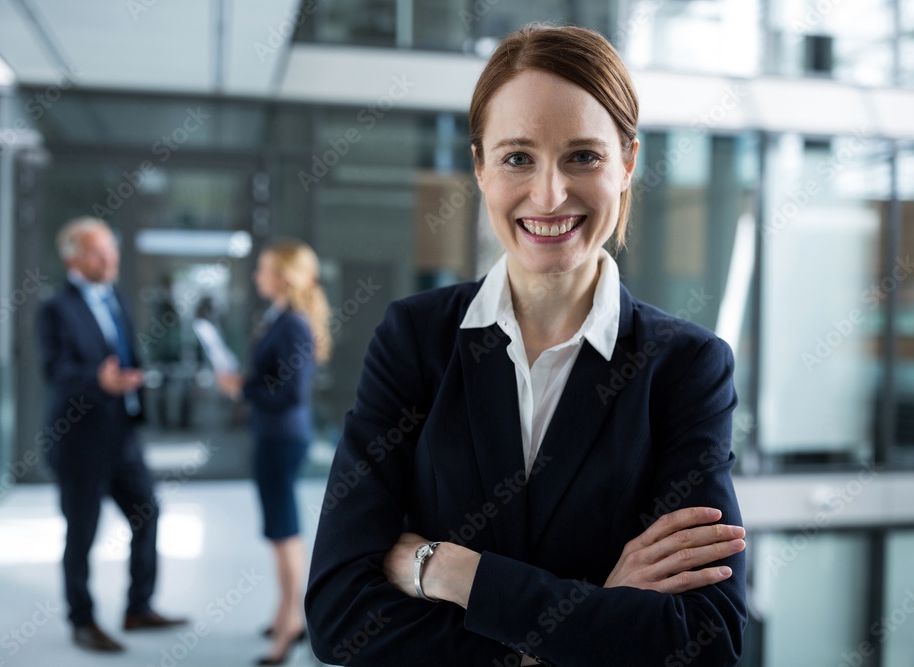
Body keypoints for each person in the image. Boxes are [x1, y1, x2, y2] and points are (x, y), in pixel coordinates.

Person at [304, 24, 747, 666]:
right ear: (480, 165)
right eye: (518, 157)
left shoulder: (685, 368)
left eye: (583, 156)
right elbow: (340, 616)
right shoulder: (415, 340)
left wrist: (450, 571)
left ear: (627, 163)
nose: (549, 194)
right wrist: (593, 613)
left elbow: (706, 639)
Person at [37, 218, 186, 652]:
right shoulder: (55, 309)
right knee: (82, 535)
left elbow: (123, 352)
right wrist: (97, 382)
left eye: (112, 250)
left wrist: (128, 380)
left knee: (147, 513)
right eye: (100, 252)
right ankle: (82, 620)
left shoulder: (115, 296)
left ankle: (138, 608)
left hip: (122, 435)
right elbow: (55, 371)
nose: (111, 259)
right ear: (73, 259)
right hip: (79, 440)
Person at [217, 239, 331, 665]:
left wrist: (241, 389)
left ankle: (289, 625)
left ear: (283, 277)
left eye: (263, 269)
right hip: (276, 435)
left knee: (283, 531)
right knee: (282, 530)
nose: (256, 276)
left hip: (281, 438)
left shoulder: (292, 325)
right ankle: (287, 615)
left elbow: (290, 393)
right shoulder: (280, 318)